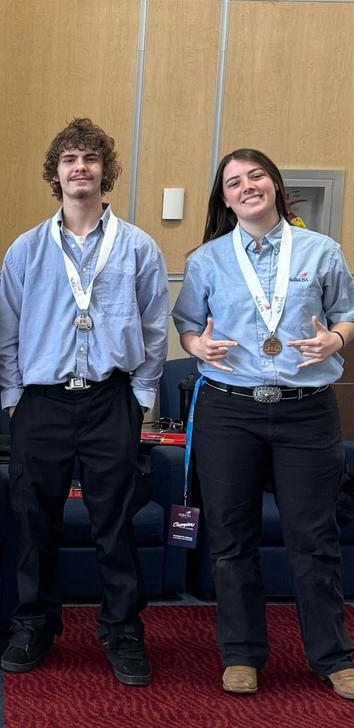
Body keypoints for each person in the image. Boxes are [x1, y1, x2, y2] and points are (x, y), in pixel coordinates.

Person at [172, 148, 354, 701]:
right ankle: (241, 655)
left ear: (276, 186)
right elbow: (186, 325)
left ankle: (333, 658)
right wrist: (196, 345)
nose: (246, 186)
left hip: (305, 410)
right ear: (225, 197)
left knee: (315, 539)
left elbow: (348, 314)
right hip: (229, 411)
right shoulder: (208, 259)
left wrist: (336, 339)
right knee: (231, 541)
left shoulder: (321, 250)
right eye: (233, 182)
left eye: (256, 175)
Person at [0, 117, 169, 686]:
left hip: (109, 400)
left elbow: (153, 327)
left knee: (114, 522)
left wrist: (142, 395)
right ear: (56, 174)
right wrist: (14, 398)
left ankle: (122, 631)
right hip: (41, 403)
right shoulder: (25, 249)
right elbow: (9, 331)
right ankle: (34, 625)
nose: (80, 168)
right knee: (33, 518)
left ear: (105, 172)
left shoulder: (139, 246)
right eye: (69, 159)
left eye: (90, 159)